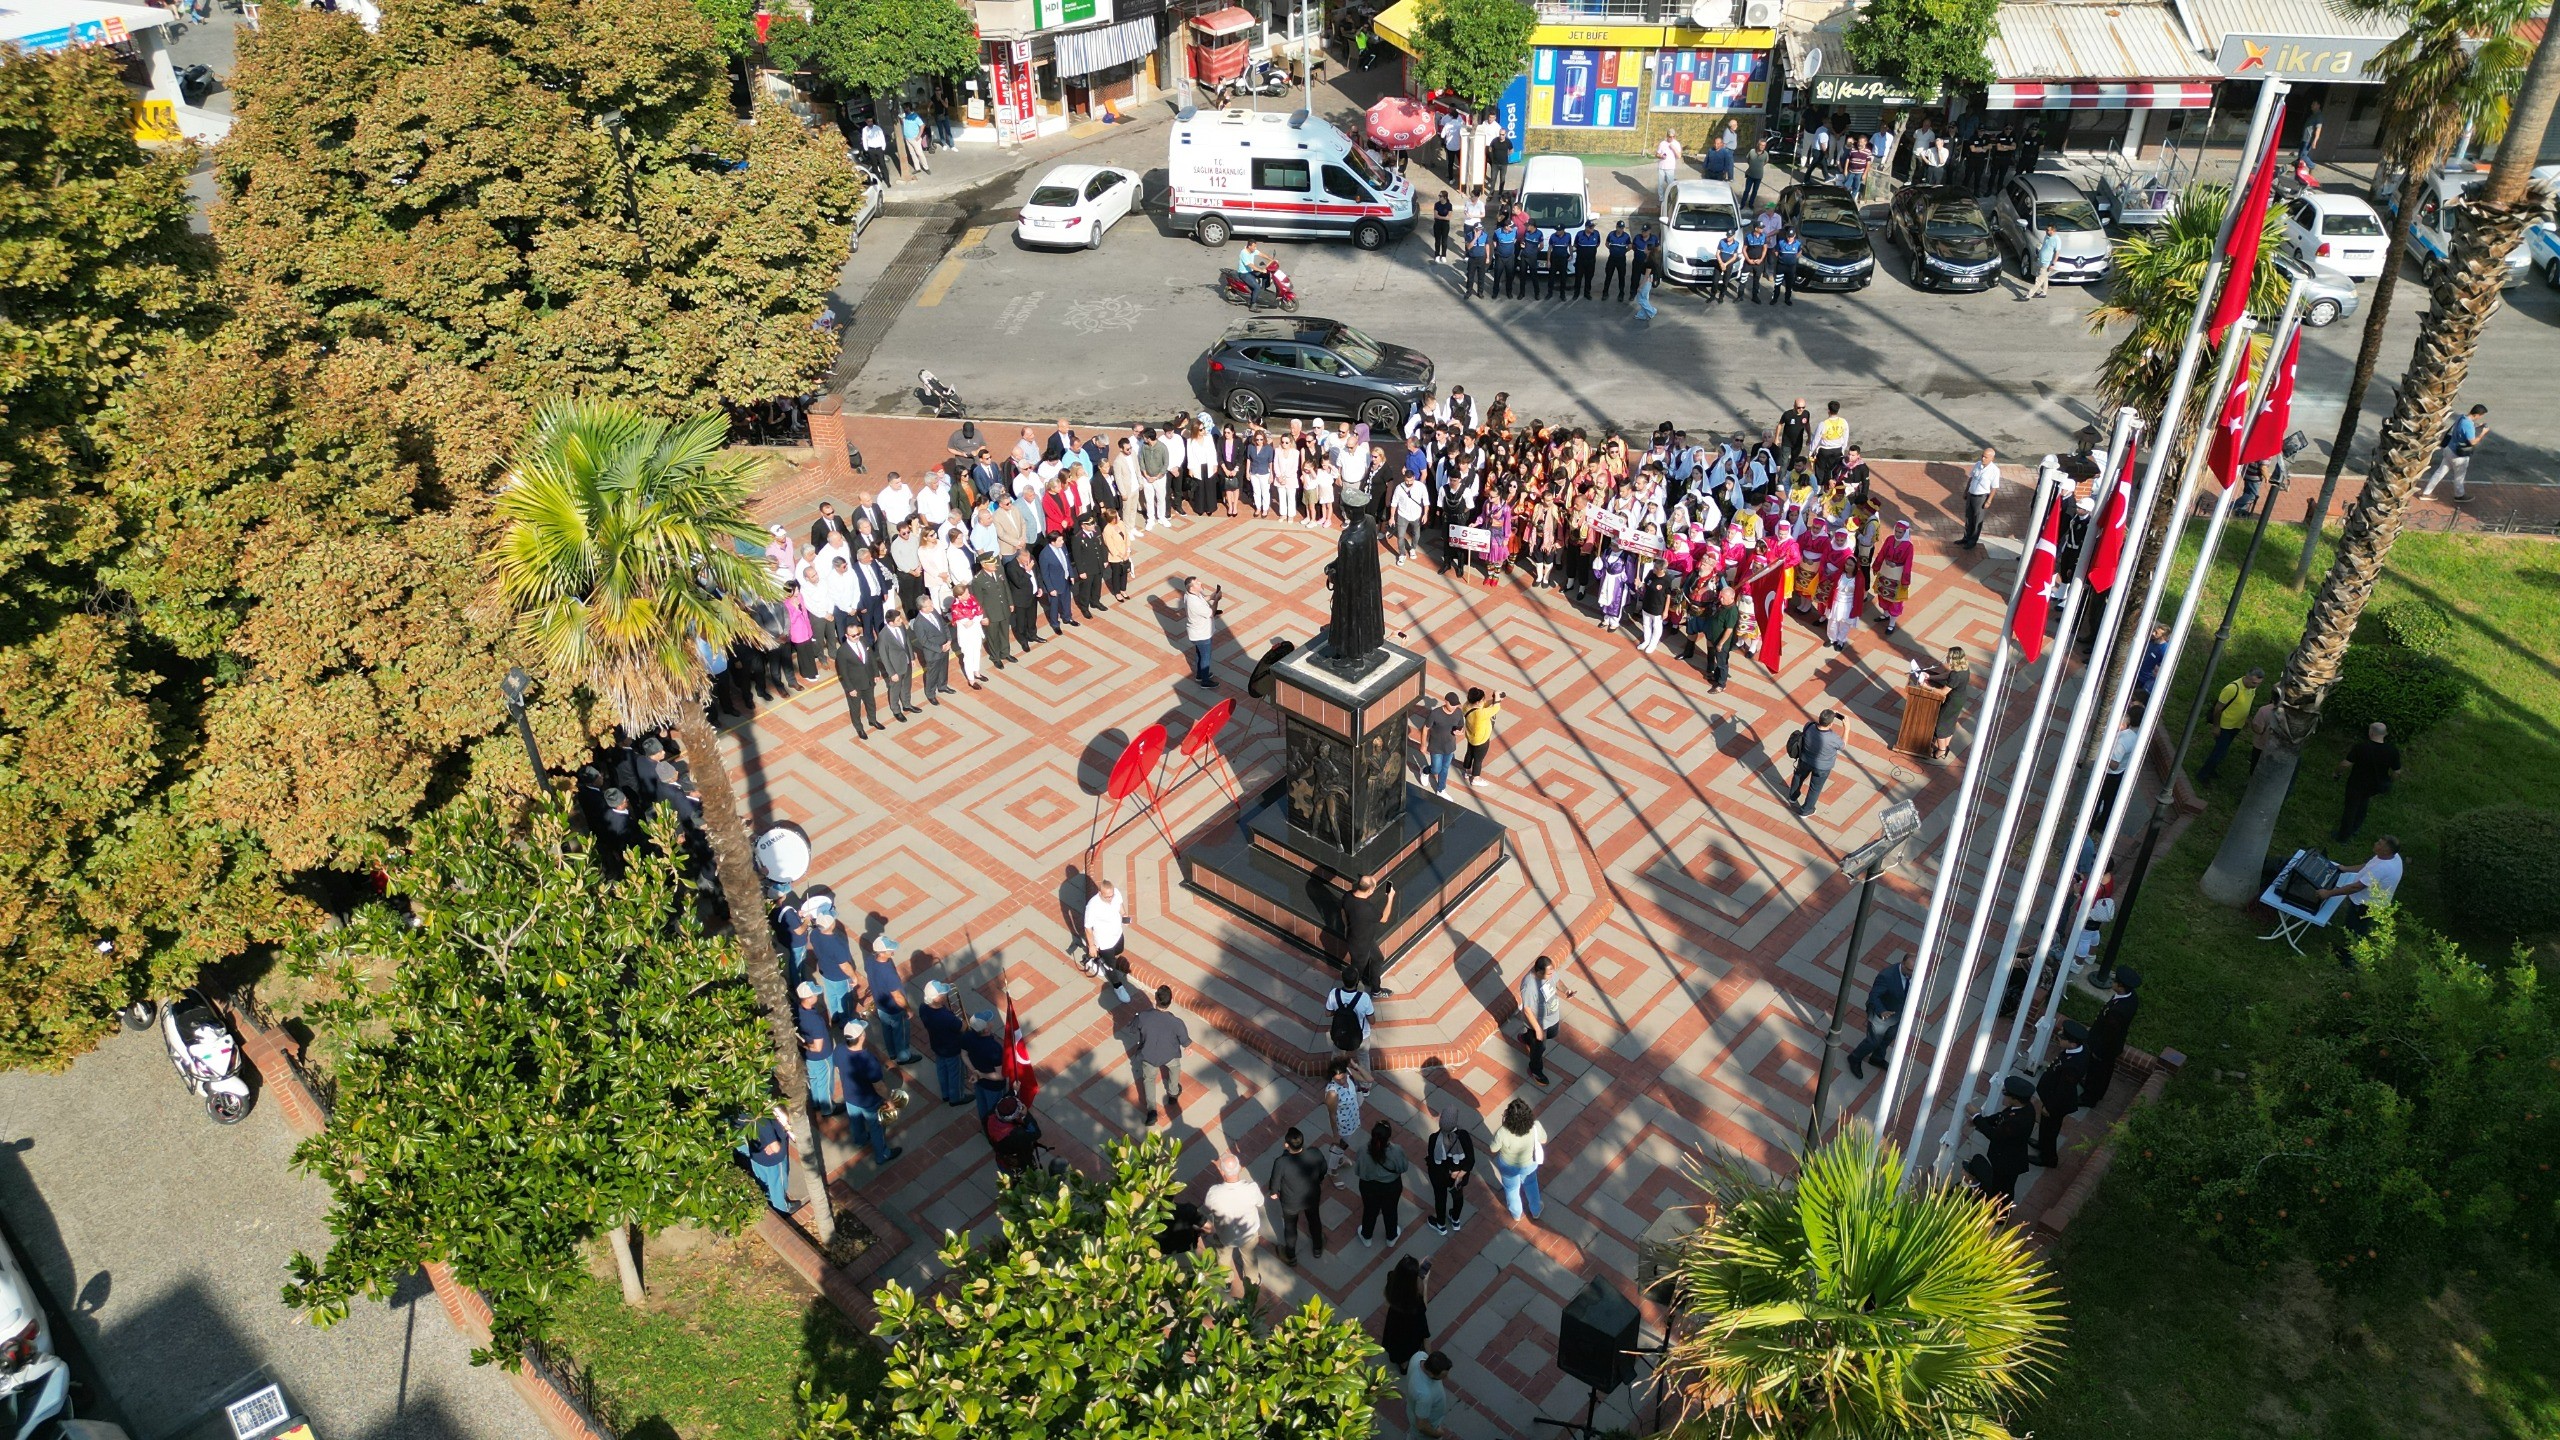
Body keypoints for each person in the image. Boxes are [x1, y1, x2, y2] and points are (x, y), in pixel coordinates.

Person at [835, 1017, 905, 1166]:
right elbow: (879, 1086)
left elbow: (837, 1067)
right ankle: (882, 1154)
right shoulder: (868, 1059)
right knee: (877, 1127)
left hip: (849, 1096)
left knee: (855, 1121)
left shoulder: (839, 1050)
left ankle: (860, 1140)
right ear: (861, 1037)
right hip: (869, 1102)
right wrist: (889, 1101)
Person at [2315, 835, 2403, 948]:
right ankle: (2351, 946)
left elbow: (2356, 887)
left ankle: (2347, 958)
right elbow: (2367, 866)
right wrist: (2345, 868)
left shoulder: (2382, 868)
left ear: (2386, 851)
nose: (2375, 843)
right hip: (2374, 901)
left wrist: (2328, 893)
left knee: (2354, 929)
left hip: (2366, 905)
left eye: (2379, 844)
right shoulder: (2392, 857)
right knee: (2359, 927)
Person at [1966, 1075, 2037, 1205]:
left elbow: (1994, 1135)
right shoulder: (2024, 1108)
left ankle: (2000, 1216)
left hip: (2008, 1162)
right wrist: (1982, 1121)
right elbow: (2001, 1117)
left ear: (2015, 1099)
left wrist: (1976, 1117)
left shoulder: (2017, 1122)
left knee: (2003, 1190)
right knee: (2001, 1185)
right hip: (2008, 1157)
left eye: (2007, 1095)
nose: (2005, 1097)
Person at [1128, 985, 1191, 1126]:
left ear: (1156, 998)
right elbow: (1185, 1040)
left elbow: (1132, 1028)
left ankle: (1152, 1111)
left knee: (1149, 1080)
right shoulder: (1176, 1022)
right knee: (1175, 1068)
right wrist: (1187, 1047)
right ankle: (1173, 1093)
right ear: (1171, 1001)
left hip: (1148, 1055)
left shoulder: (1143, 1016)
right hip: (1170, 1054)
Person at [1202, 1153, 1265, 1292]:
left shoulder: (1214, 1192)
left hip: (1224, 1234)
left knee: (1223, 1257)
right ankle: (1252, 1281)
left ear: (1222, 1172)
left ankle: (1226, 1281)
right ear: (1240, 1168)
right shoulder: (1251, 1188)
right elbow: (1260, 1202)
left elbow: (1208, 1205)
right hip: (1248, 1233)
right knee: (1250, 1259)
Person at [2030, 1018, 2089, 1167]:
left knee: (2050, 1131)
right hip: (2051, 1096)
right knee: (2045, 1127)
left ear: (2073, 1044)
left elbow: (2064, 1089)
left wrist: (2049, 1107)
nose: (2059, 1037)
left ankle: (2048, 1158)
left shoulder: (2073, 1066)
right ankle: (2041, 1144)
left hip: (2057, 1104)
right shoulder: (2074, 1051)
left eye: (2062, 1037)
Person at [1843, 951, 1911, 1078]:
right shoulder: (1887, 976)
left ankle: (1877, 1058)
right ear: (1902, 964)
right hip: (1881, 1015)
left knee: (1888, 1038)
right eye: (1910, 970)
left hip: (1897, 1014)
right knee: (1873, 1041)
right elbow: (1874, 995)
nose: (1913, 973)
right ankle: (1854, 1058)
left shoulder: (1913, 975)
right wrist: (1882, 1011)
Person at [2080, 966, 2141, 1106]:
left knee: (2098, 1072)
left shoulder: (2118, 1012)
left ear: (2121, 987)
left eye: (2115, 981)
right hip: (2109, 1044)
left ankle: (2089, 1098)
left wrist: (2098, 1051)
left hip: (2104, 1047)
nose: (2112, 982)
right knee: (2102, 1072)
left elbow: (2109, 1033)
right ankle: (2094, 1090)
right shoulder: (2130, 997)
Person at [1266, 1127, 1328, 1265]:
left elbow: (1275, 1182)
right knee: (1314, 1219)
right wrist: (1319, 1179)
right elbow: (1324, 1169)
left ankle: (1290, 1255)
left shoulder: (1281, 1162)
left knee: (1290, 1226)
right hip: (1312, 1196)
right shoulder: (1315, 1153)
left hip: (1290, 1202)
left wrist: (1274, 1192)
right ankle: (1318, 1247)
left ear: (1286, 1145)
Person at [2335, 721, 2402, 842]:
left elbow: (2346, 764)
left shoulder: (2361, 747)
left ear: (2371, 733)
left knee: (2350, 808)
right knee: (2363, 803)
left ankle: (2343, 837)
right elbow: (2397, 772)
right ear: (2385, 734)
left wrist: (2337, 773)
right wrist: (2390, 781)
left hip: (2357, 782)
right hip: (2375, 785)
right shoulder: (2392, 750)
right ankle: (2356, 828)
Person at [2195, 667, 2263, 784]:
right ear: (2246, 676)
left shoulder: (2252, 688)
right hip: (2225, 726)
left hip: (2236, 726)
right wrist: (2216, 726)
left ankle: (2211, 770)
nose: (2255, 686)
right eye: (2254, 682)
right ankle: (2202, 775)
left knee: (2222, 751)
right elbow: (2218, 708)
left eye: (2258, 684)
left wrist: (2245, 719)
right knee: (2219, 752)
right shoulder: (2232, 688)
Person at [1486, 1097, 1547, 1221]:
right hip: (1529, 1163)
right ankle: (1535, 1210)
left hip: (1507, 1165)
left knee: (1511, 1189)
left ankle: (1516, 1214)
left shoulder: (1503, 1132)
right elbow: (1544, 1140)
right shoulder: (1535, 1126)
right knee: (1531, 1184)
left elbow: (1493, 1149)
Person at [863, 934, 921, 1064]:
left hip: (880, 1004)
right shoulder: (889, 974)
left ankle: (892, 1053)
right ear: (882, 953)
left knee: (886, 1029)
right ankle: (904, 1057)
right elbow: (897, 996)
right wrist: (908, 1009)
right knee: (900, 1034)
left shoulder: (869, 960)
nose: (892, 951)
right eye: (890, 950)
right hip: (894, 1009)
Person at [1356, 1119, 1412, 1246]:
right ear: (1388, 1136)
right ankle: (1391, 1237)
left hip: (1369, 1187)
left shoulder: (1363, 1150)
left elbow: (1360, 1171)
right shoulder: (1397, 1151)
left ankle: (1366, 1236)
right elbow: (1403, 1167)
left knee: (1370, 1211)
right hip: (1391, 1187)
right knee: (1391, 1210)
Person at [1422, 1102, 1475, 1234]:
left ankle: (1441, 1225)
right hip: (1457, 1177)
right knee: (1458, 1196)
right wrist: (1460, 1174)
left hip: (1440, 1177)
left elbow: (1434, 1162)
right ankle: (1455, 1219)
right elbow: (1470, 1160)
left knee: (1440, 1199)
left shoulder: (1434, 1139)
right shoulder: (1463, 1136)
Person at [2419, 403, 2487, 502]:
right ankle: (2459, 495)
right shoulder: (2468, 425)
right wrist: (2483, 433)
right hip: (2459, 455)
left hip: (2449, 449)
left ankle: (2426, 493)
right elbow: (2472, 442)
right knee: (2459, 476)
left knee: (2440, 472)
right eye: (2481, 415)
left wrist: (2477, 427)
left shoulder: (2462, 418)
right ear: (2477, 415)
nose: (2480, 418)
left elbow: (2463, 430)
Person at [1341, 876, 1397, 995]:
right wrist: (1390, 898)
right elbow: (1384, 918)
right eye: (1374, 886)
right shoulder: (1367, 909)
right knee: (1356, 973)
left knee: (1378, 958)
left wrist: (1347, 926)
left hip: (1364, 939)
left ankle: (1376, 989)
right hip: (1359, 945)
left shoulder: (1348, 896)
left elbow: (1343, 912)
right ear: (1370, 890)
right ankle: (1349, 996)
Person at [1787, 709, 1848, 818]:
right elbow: (1843, 745)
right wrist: (1847, 728)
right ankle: (1806, 810)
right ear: (1831, 724)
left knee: (1798, 777)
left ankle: (1792, 796)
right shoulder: (1833, 738)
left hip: (1805, 759)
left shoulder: (1809, 726)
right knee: (1815, 788)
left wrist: (1828, 714)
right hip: (1822, 768)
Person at [739, 1106, 799, 1213]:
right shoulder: (764, 1118)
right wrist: (774, 1142)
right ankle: (782, 1207)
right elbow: (765, 1125)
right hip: (773, 1159)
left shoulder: (743, 1114)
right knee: (778, 1182)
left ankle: (768, 1196)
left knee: (762, 1178)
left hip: (757, 1154)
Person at [919, 981, 970, 1106]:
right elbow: (963, 1028)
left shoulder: (923, 1008)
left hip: (937, 1046)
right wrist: (962, 1020)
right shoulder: (946, 1017)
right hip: (952, 1049)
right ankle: (956, 1098)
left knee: (941, 1069)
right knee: (955, 1075)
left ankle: (945, 1094)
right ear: (936, 998)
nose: (945, 995)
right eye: (942, 994)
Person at [1325, 966, 1377, 1082]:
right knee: (1363, 1059)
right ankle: (1365, 1086)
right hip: (1362, 1035)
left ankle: (1334, 1080)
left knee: (1337, 1058)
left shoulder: (1334, 994)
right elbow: (1372, 1021)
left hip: (1339, 1034)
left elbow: (1327, 1013)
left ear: (1343, 980)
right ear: (1357, 981)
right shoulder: (1364, 998)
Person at [1921, 648, 1970, 762]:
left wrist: (1927, 687)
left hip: (1953, 701)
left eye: (1949, 656)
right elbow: (1947, 675)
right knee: (1950, 722)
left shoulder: (1956, 675)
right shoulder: (1963, 668)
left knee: (1940, 724)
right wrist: (1931, 677)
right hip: (1960, 698)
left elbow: (1943, 692)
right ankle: (1946, 746)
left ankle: (1941, 751)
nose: (1947, 658)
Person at [962, 1011, 1008, 1119]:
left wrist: (975, 1072)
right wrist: (981, 1074)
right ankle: (994, 1131)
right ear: (986, 1029)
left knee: (982, 1107)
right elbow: (1000, 1076)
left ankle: (985, 1127)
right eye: (989, 1021)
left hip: (979, 1083)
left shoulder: (967, 1036)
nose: (992, 1021)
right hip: (994, 1087)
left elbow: (964, 1055)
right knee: (996, 1112)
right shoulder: (994, 1048)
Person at [1081, 877, 1129, 983]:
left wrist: (1124, 915)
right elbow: (1088, 928)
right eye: (1107, 897)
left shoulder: (1115, 893)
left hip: (1117, 934)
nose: (1110, 898)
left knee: (1119, 950)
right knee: (1111, 967)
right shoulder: (1092, 906)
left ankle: (1098, 958)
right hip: (1104, 941)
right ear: (1100, 893)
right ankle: (1117, 987)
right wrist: (1092, 946)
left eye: (1111, 896)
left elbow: (1120, 904)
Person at [1415, 691, 1464, 794]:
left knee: (1445, 768)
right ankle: (1425, 771)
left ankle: (1441, 789)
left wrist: (1460, 732)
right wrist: (1423, 745)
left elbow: (1461, 727)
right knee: (1436, 769)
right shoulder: (1435, 714)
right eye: (1452, 705)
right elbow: (1425, 729)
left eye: (1456, 705)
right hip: (1436, 747)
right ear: (1445, 702)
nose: (1454, 707)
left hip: (1450, 746)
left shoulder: (1458, 712)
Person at [1404, 1352, 1456, 1440]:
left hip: (1412, 1411)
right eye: (1442, 1376)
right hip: (1430, 1423)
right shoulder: (1424, 1395)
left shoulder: (1419, 1356)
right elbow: (1421, 1426)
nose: (1447, 1378)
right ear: (1431, 1374)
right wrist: (1437, 1434)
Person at [1459, 688, 1505, 784]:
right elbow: (1495, 709)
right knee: (1478, 759)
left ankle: (1466, 771)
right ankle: (1476, 778)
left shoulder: (1466, 705)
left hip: (1471, 736)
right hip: (1481, 739)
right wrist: (1496, 699)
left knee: (1469, 753)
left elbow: (1484, 705)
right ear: (1477, 701)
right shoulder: (1479, 714)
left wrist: (1494, 701)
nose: (1484, 700)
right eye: (1483, 699)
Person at [1183, 577, 1222, 688]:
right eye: (1196, 583)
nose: (1200, 583)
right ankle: (1205, 681)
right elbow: (1211, 613)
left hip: (1197, 633)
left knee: (1200, 654)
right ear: (1191, 587)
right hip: (1202, 634)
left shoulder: (1190, 594)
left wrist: (1213, 596)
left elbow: (1203, 599)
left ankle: (1200, 675)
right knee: (1205, 656)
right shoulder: (1194, 603)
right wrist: (1216, 600)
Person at [1961, 446, 2000, 549]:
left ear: (1992, 458)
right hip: (1971, 494)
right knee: (1969, 517)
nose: (1983, 459)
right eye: (1982, 456)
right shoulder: (1978, 464)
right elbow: (1971, 478)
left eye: (1986, 457)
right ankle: (1966, 537)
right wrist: (1966, 491)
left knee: (1977, 520)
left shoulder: (1994, 470)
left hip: (1981, 497)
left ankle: (1972, 541)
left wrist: (1989, 501)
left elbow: (1994, 487)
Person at [2024, 223, 2061, 301]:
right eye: (2046, 229)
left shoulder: (2057, 240)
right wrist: (2038, 256)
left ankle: (2029, 295)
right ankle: (2043, 293)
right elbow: (2044, 247)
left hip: (2047, 264)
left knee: (2039, 280)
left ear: (2053, 230)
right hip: (2041, 261)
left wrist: (2052, 264)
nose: (2046, 231)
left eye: (2048, 230)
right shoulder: (2047, 237)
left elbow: (2057, 254)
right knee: (2044, 278)